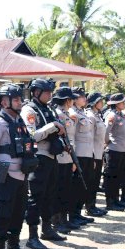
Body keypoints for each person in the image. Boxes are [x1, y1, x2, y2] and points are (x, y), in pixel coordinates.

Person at [0, 83, 39, 249]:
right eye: (16, 99)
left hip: (21, 175)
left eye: (20, 99)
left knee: (18, 212)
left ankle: (13, 247)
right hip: (5, 176)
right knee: (3, 214)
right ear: (4, 101)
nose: (20, 102)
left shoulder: (18, 121)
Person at [21, 79, 66, 249]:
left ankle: (47, 229)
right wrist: (52, 126)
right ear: (36, 92)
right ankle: (32, 236)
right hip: (39, 157)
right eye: (46, 92)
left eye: (50, 92)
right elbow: (32, 135)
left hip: (52, 157)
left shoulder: (48, 109)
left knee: (50, 194)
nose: (50, 95)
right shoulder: (29, 110)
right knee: (36, 197)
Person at [50, 87, 80, 232]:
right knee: (59, 189)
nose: (73, 101)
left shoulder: (68, 114)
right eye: (71, 99)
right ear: (67, 100)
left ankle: (64, 218)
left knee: (67, 189)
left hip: (69, 156)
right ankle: (56, 221)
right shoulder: (58, 114)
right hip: (61, 157)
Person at [69, 87, 96, 225]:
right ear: (74, 99)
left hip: (87, 153)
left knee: (85, 184)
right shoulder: (72, 113)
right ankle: (72, 215)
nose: (84, 98)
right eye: (81, 96)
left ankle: (78, 213)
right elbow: (72, 135)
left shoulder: (82, 112)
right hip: (78, 153)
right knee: (77, 185)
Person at [103, 94, 125, 212]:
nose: (124, 104)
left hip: (122, 150)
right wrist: (108, 143)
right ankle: (110, 202)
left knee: (118, 176)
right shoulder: (112, 115)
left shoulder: (121, 115)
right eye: (122, 102)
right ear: (117, 103)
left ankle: (116, 200)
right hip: (114, 150)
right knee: (111, 177)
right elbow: (105, 132)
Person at [85, 93, 108, 216]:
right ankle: (89, 206)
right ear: (94, 102)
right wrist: (92, 155)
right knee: (91, 182)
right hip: (93, 153)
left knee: (95, 180)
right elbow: (89, 137)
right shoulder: (90, 116)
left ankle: (93, 205)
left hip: (99, 152)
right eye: (100, 101)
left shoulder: (97, 115)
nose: (102, 103)